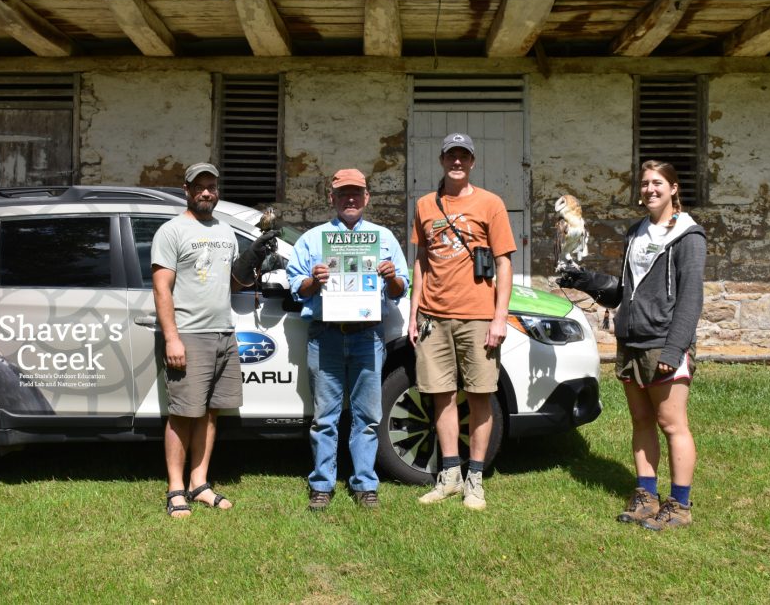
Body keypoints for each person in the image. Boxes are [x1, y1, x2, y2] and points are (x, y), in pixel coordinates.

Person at [559, 159, 706, 531]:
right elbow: (623, 292)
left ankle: (680, 505)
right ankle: (645, 496)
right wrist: (587, 280)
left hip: (663, 342)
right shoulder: (636, 232)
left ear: (673, 189)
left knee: (672, 424)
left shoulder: (689, 236)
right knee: (641, 421)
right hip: (631, 341)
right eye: (644, 184)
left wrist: (674, 351)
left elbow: (690, 299)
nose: (650, 189)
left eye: (658, 183)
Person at [152, 162, 276, 518]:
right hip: (189, 334)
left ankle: (199, 483)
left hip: (224, 331)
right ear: (187, 190)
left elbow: (234, 281)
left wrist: (255, 256)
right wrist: (172, 338)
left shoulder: (224, 230)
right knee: (182, 414)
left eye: (212, 186)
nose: (207, 192)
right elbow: (162, 288)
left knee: (210, 414)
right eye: (199, 187)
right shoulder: (171, 231)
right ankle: (175, 489)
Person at [286, 168, 409, 511]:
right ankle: (322, 485)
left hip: (367, 337)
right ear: (333, 199)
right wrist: (314, 280)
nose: (350, 199)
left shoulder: (383, 238)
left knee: (367, 416)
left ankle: (365, 483)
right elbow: (297, 290)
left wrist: (391, 276)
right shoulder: (312, 240)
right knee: (324, 417)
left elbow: (401, 290)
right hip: (325, 335)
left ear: (367, 197)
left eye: (357, 193)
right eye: (343, 193)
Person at [409, 132, 516, 511]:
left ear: (472, 162)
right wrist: (413, 313)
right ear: (442, 161)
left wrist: (499, 317)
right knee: (440, 395)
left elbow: (503, 262)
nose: (457, 162)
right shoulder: (424, 205)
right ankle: (449, 475)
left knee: (480, 395)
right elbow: (421, 261)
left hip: (477, 316)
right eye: (451, 156)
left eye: (463, 156)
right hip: (434, 317)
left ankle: (475, 478)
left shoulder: (491, 203)